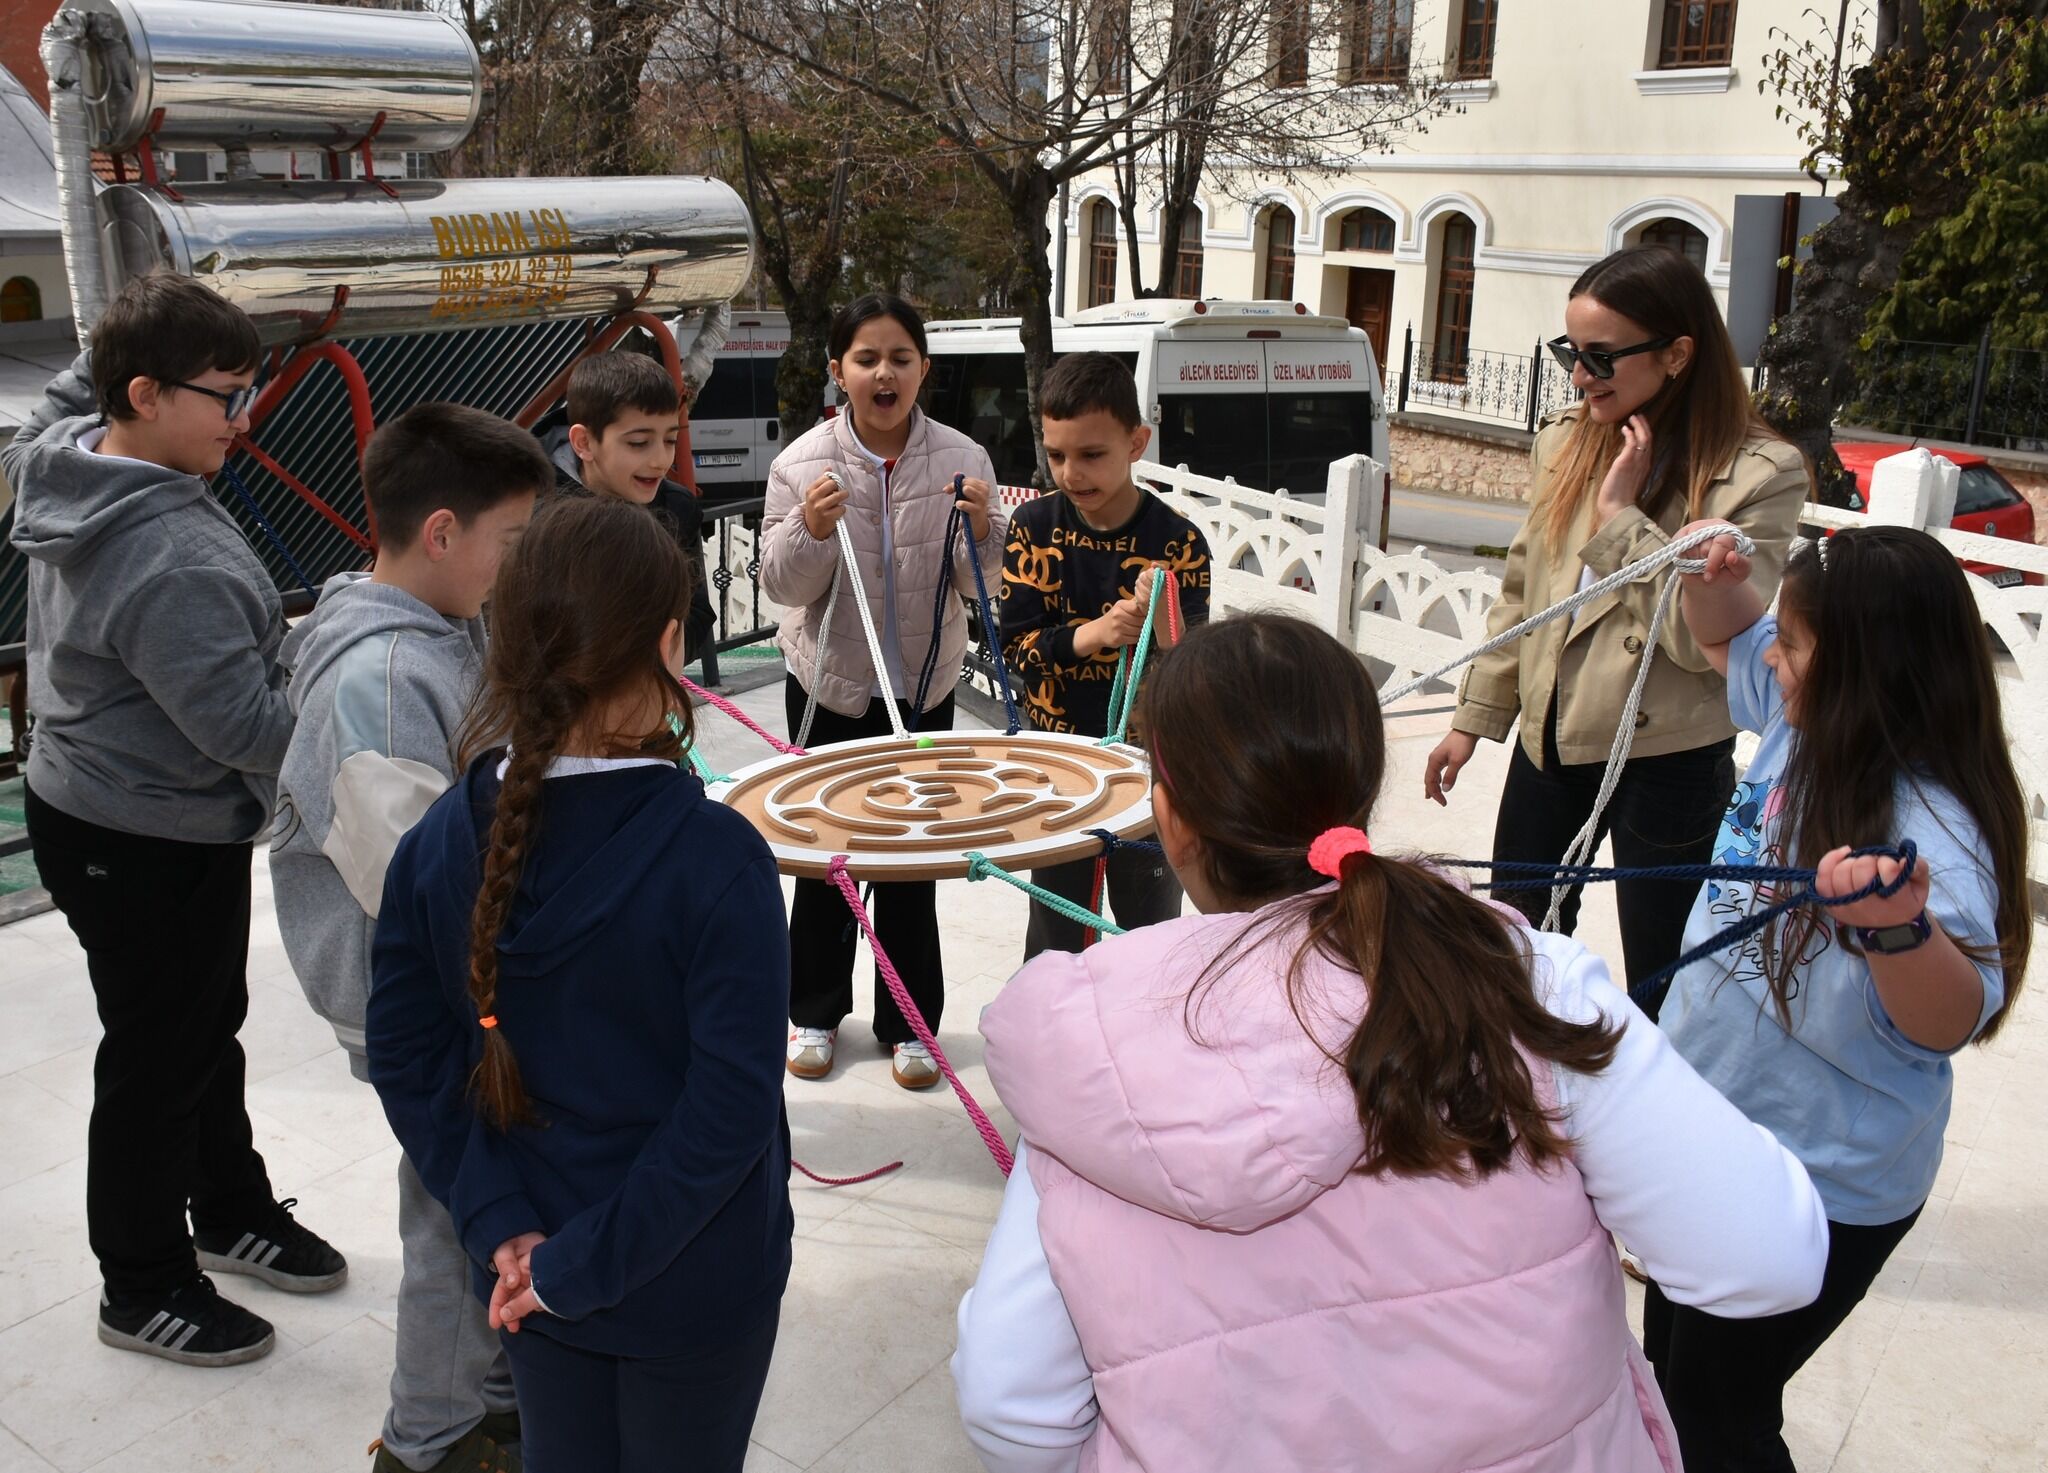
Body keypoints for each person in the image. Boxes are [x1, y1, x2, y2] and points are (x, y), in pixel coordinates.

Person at [955, 614, 1830, 1472]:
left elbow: (1010, 1405)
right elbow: (1769, 1255)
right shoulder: (1525, 979)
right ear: (1360, 790)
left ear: (1170, 816)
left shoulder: (1093, 1056)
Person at [367, 495, 792, 1473]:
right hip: (686, 1281)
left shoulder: (438, 839)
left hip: (522, 1268)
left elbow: (407, 1050)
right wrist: (577, 1268)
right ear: (671, 642)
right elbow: (726, 1109)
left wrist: (499, 1224)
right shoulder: (717, 858)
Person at [6, 272, 346, 1366]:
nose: (242, 420)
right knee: (158, 1055)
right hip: (145, 836)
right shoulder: (168, 557)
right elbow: (249, 726)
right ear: (146, 394)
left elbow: (64, 391)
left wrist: (155, 288)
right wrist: (341, 666)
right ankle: (143, 1282)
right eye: (227, 395)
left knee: (201, 1025)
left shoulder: (58, 455)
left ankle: (231, 1208)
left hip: (99, 806)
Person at [1647, 524, 2029, 1470]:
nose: (1772, 654)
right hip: (1712, 1136)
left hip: (1820, 1182)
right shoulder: (1797, 719)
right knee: (1667, 1377)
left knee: (1718, 1414)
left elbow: (1951, 1017)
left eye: (1796, 641)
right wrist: (1716, 578)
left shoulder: (1931, 824)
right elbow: (1726, 638)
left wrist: (1898, 927)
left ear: (1866, 671)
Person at [271, 403, 550, 1471]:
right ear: (442, 534)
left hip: (462, 977)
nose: (516, 572)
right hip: (431, 993)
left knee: (478, 1194)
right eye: (511, 546)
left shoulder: (436, 633)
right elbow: (415, 885)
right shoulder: (383, 680)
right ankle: (428, 1441)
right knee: (456, 1216)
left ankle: (488, 1390)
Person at [1422, 245, 1810, 1013]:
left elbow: (1698, 649)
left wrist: (1623, 518)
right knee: (1517, 950)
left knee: (1662, 973)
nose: (1579, 375)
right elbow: (1525, 590)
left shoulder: (1761, 473)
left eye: (1600, 357)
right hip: (1553, 735)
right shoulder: (1566, 439)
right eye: (1571, 351)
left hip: (1668, 755)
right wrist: (1475, 718)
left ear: (1677, 354)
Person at [759, 293, 1005, 1089]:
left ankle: (908, 1022)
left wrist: (986, 527)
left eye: (901, 356)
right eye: (866, 357)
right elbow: (781, 585)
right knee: (827, 860)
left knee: (908, 863)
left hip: (924, 691)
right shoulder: (800, 466)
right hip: (829, 690)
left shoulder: (965, 459)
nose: (885, 371)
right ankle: (814, 1012)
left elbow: (981, 582)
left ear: (924, 368)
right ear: (839, 371)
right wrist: (810, 528)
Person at [999, 350, 1211, 957]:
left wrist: (1160, 612)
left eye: (1092, 454)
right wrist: (1098, 633)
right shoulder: (1032, 527)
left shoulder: (1176, 541)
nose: (1072, 473)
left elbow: (1193, 664)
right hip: (1057, 759)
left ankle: (1145, 1037)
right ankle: (1054, 1038)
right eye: (1057, 454)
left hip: (1148, 763)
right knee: (1058, 921)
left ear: (1137, 442)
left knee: (1147, 925)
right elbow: (1018, 649)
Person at [540, 350, 717, 661]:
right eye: (638, 443)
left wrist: (650, 662)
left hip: (651, 689)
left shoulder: (677, 508)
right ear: (583, 443)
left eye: (670, 441)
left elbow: (697, 612)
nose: (660, 460)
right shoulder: (537, 515)